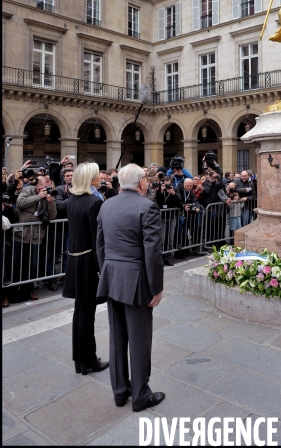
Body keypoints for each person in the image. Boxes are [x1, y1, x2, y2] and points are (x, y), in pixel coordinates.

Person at [96, 164, 165, 412]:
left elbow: (100, 246)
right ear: (141, 183)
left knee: (116, 337)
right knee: (139, 339)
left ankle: (119, 392)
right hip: (136, 281)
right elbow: (153, 253)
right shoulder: (148, 207)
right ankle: (140, 395)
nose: (147, 182)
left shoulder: (106, 204)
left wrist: (107, 272)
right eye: (146, 178)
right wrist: (156, 287)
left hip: (112, 276)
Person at [62, 162, 109, 376]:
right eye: (98, 175)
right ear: (91, 179)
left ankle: (79, 360)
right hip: (89, 262)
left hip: (75, 260)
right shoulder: (93, 203)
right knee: (86, 312)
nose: (101, 177)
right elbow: (97, 240)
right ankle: (88, 359)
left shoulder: (73, 199)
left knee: (80, 311)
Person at [13, 174, 57, 302]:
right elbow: (20, 203)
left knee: (33, 265)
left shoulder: (49, 196)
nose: (46, 190)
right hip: (21, 235)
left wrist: (51, 202)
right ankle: (15, 291)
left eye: (48, 187)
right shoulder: (28, 190)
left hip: (37, 236)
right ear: (38, 186)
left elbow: (52, 217)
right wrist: (38, 197)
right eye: (44, 187)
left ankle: (29, 290)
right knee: (17, 264)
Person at [154, 175, 182, 265]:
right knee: (162, 238)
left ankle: (168, 257)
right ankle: (161, 256)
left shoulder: (175, 189)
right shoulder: (160, 190)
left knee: (170, 238)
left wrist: (173, 193)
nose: (167, 185)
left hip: (172, 217)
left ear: (171, 182)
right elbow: (158, 202)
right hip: (162, 217)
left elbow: (180, 203)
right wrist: (161, 191)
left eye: (168, 182)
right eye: (165, 182)